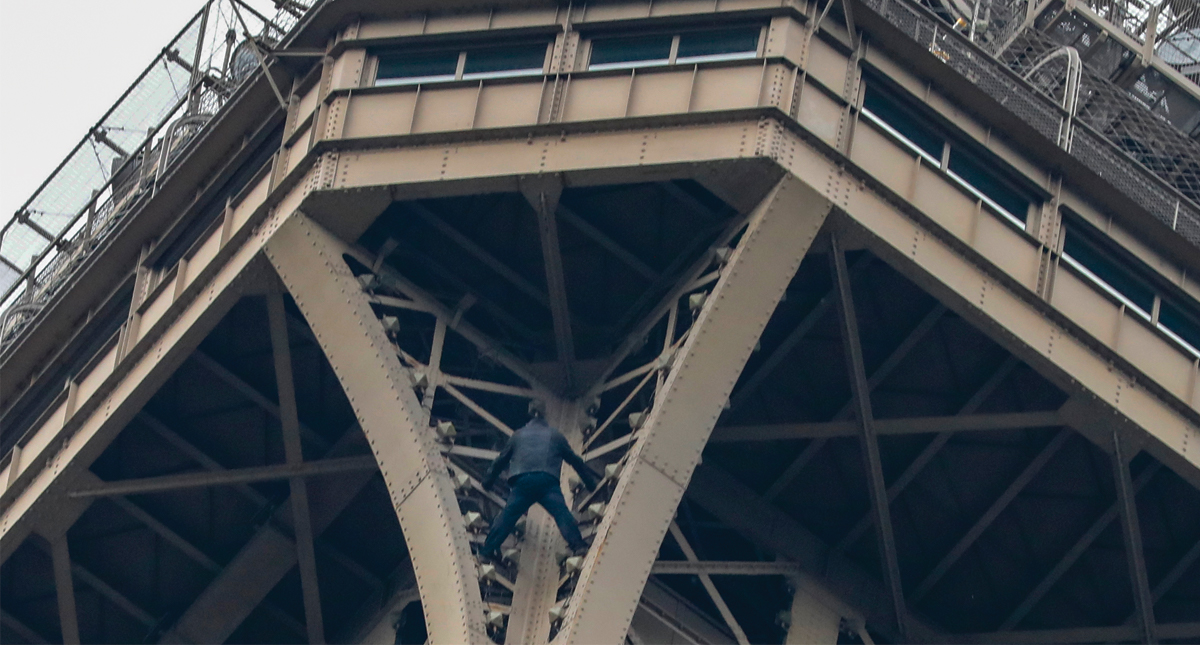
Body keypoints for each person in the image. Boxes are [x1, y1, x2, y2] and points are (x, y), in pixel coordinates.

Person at [478, 402, 598, 560]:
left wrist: (487, 482)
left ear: (529, 417)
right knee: (562, 514)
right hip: (547, 482)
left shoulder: (518, 435)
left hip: (522, 482)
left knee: (507, 517)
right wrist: (590, 484)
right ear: (545, 419)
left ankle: (486, 552)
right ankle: (578, 546)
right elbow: (575, 461)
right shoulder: (555, 435)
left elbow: (500, 461)